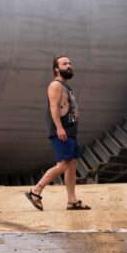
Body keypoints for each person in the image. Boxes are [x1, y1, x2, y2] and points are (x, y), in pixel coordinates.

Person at [25, 55, 91, 211]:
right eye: (64, 64)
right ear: (56, 69)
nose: (69, 65)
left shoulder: (65, 86)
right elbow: (54, 108)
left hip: (70, 131)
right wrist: (59, 128)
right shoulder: (55, 85)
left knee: (72, 164)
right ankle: (36, 191)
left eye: (70, 63)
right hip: (62, 131)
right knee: (62, 165)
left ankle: (72, 201)